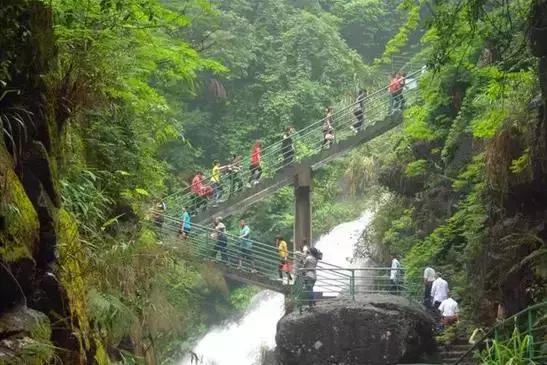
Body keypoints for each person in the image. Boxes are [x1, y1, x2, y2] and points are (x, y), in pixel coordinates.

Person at [301, 247, 319, 311]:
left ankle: (311, 306)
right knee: (311, 289)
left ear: (310, 252)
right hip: (314, 276)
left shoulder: (308, 258)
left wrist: (303, 258)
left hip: (309, 275)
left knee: (309, 291)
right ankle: (313, 303)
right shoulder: (316, 258)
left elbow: (304, 266)